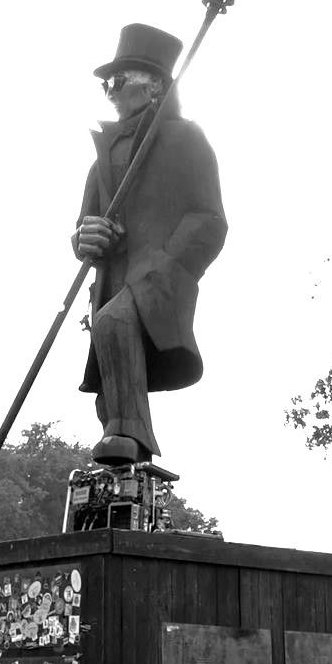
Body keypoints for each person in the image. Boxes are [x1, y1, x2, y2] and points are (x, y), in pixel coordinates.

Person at [71, 23, 227, 465]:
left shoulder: (185, 138)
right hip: (113, 277)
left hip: (158, 273)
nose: (112, 92)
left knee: (113, 324)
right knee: (109, 357)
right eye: (107, 85)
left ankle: (131, 434)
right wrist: (87, 236)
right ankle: (120, 438)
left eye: (119, 82)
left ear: (154, 86)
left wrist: (168, 264)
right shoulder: (104, 155)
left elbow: (209, 217)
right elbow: (82, 226)